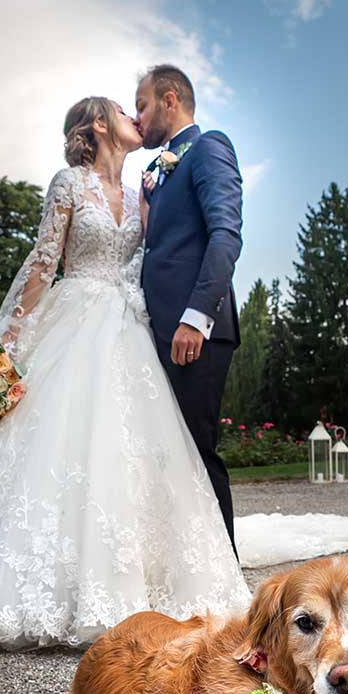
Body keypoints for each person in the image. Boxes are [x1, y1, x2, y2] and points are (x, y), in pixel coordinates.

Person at [0, 94, 251, 648]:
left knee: (134, 455)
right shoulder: (68, 184)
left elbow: (155, 256)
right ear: (98, 124)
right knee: (57, 447)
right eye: (126, 110)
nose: (135, 118)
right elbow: (44, 262)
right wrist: (3, 343)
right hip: (75, 322)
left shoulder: (146, 188)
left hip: (130, 328)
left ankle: (138, 578)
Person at [133, 65, 242, 549]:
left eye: (142, 105)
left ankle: (225, 568)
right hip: (154, 332)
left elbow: (225, 236)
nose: (138, 118)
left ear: (170, 99)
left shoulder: (209, 146)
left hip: (194, 331)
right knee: (165, 453)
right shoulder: (157, 172)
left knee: (198, 451)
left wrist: (195, 318)